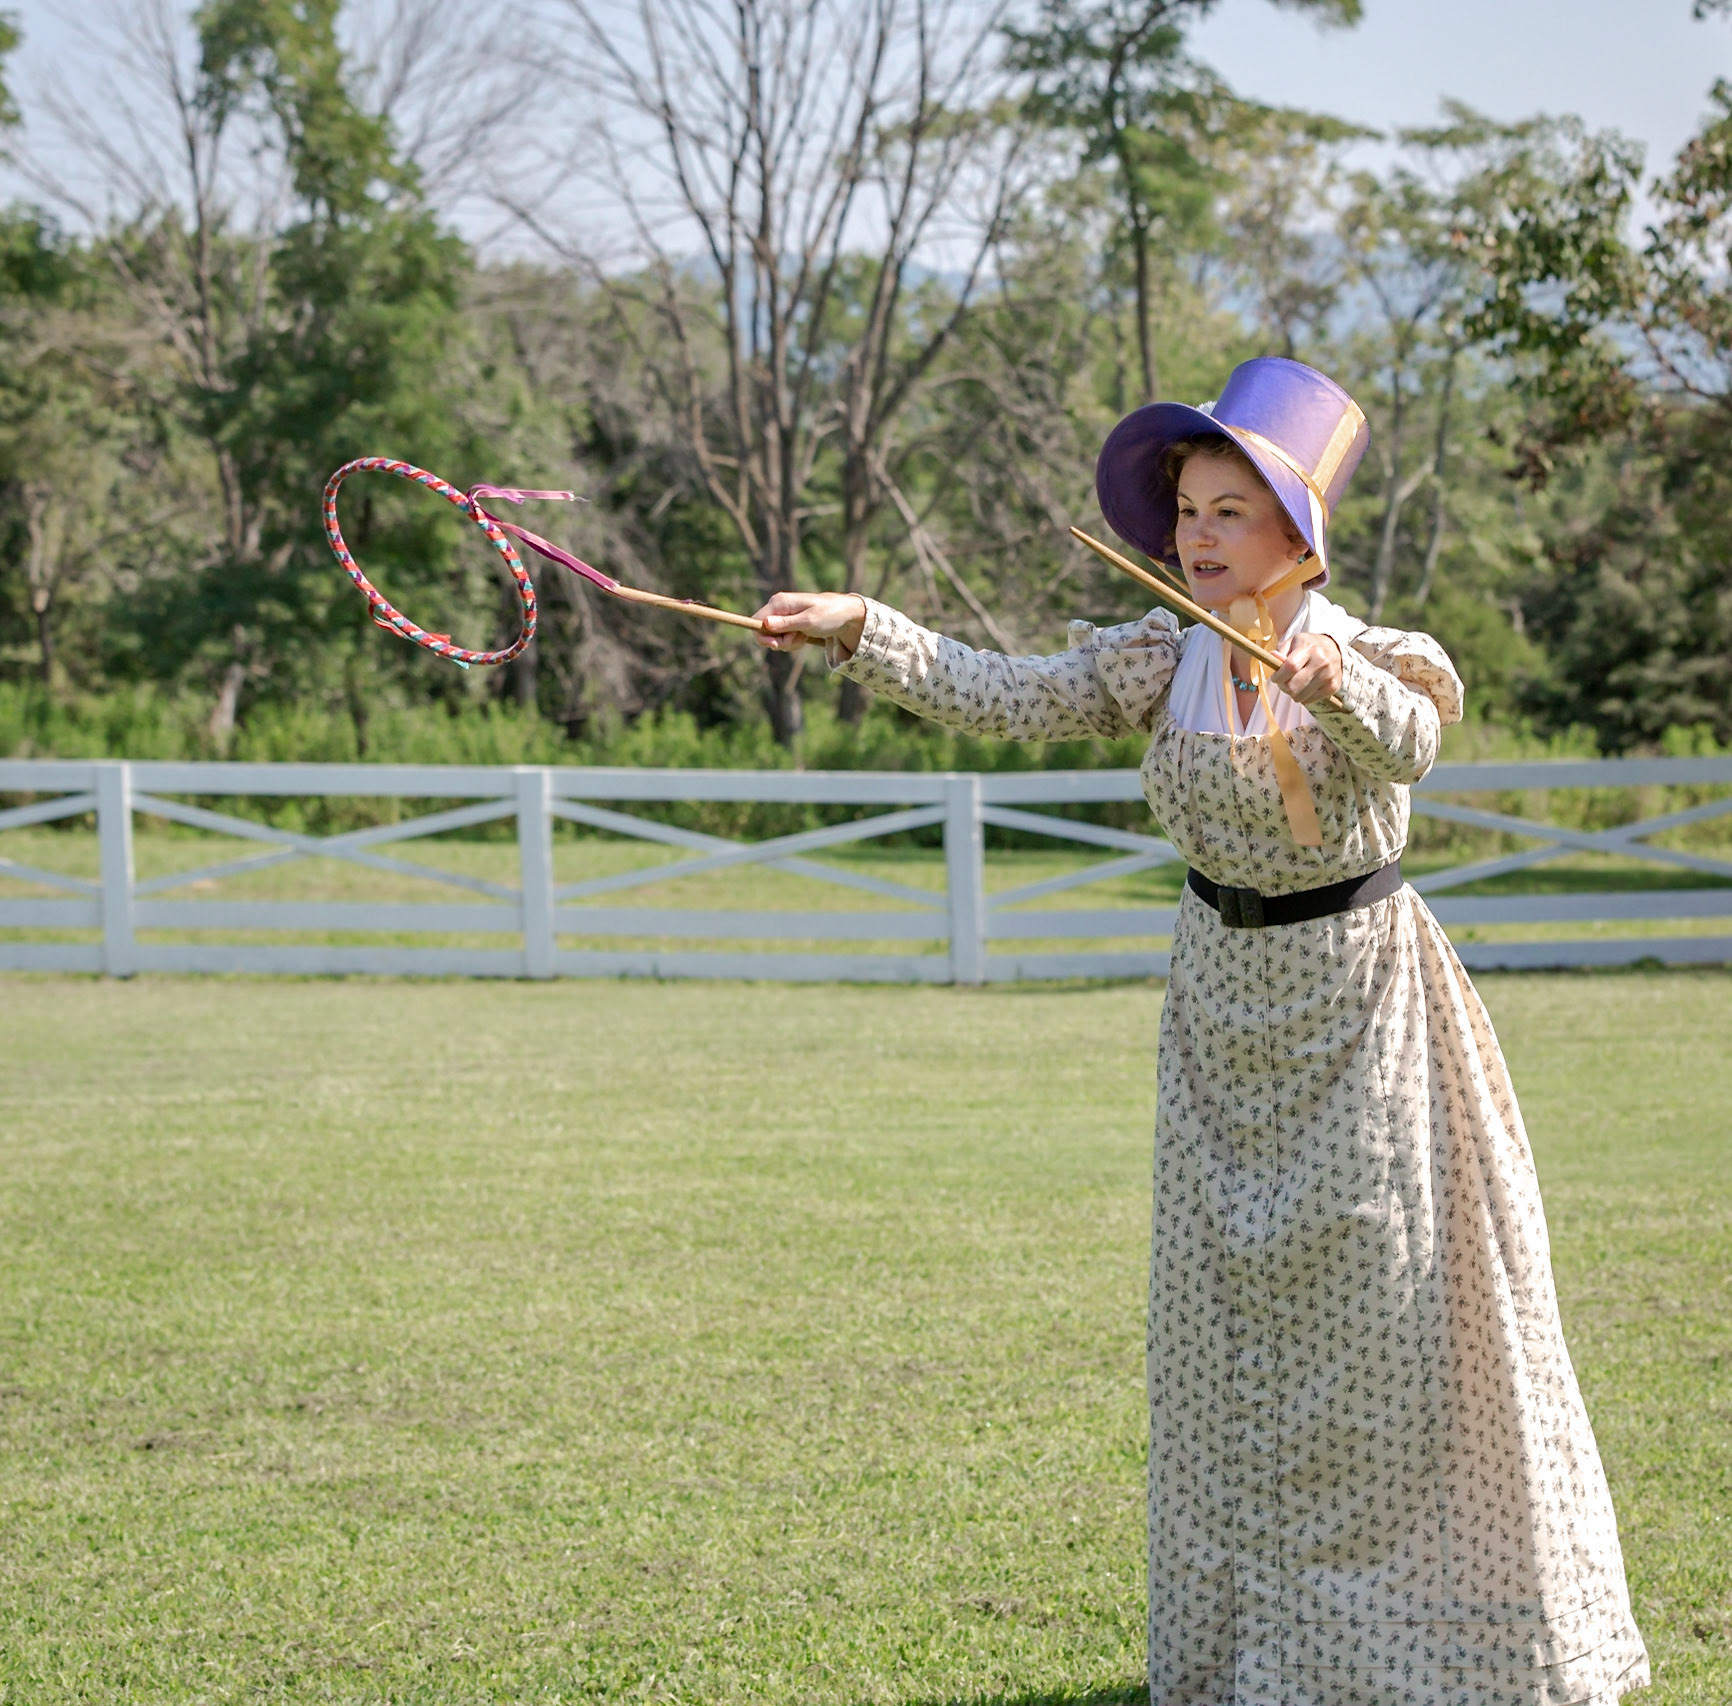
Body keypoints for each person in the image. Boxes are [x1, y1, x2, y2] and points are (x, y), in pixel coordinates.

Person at [751, 357, 1650, 1706]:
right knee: (1233, 1351)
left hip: (1364, 1019)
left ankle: (1414, 1650)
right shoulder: (1156, 656)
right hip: (1219, 1020)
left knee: (1389, 1345)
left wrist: (1325, 676)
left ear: (1299, 533)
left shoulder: (1376, 657)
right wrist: (858, 626)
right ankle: (1263, 1654)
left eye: (1232, 512)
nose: (1197, 537)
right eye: (1187, 510)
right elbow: (1002, 693)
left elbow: (1407, 745)